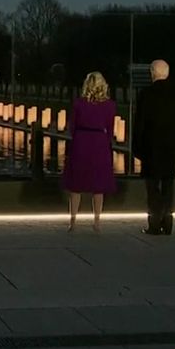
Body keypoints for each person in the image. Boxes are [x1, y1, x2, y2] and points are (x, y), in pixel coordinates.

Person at [132, 59, 175, 235]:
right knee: (168, 185)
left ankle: (155, 222)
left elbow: (139, 123)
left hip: (151, 147)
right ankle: (168, 220)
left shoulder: (146, 94)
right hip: (171, 147)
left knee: (153, 186)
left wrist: (137, 147)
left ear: (152, 73)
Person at [61, 71, 117, 232]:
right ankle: (97, 221)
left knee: (76, 184)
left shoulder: (78, 103)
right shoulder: (110, 105)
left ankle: (72, 221)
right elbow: (110, 127)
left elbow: (72, 125)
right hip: (99, 142)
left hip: (81, 141)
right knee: (99, 185)